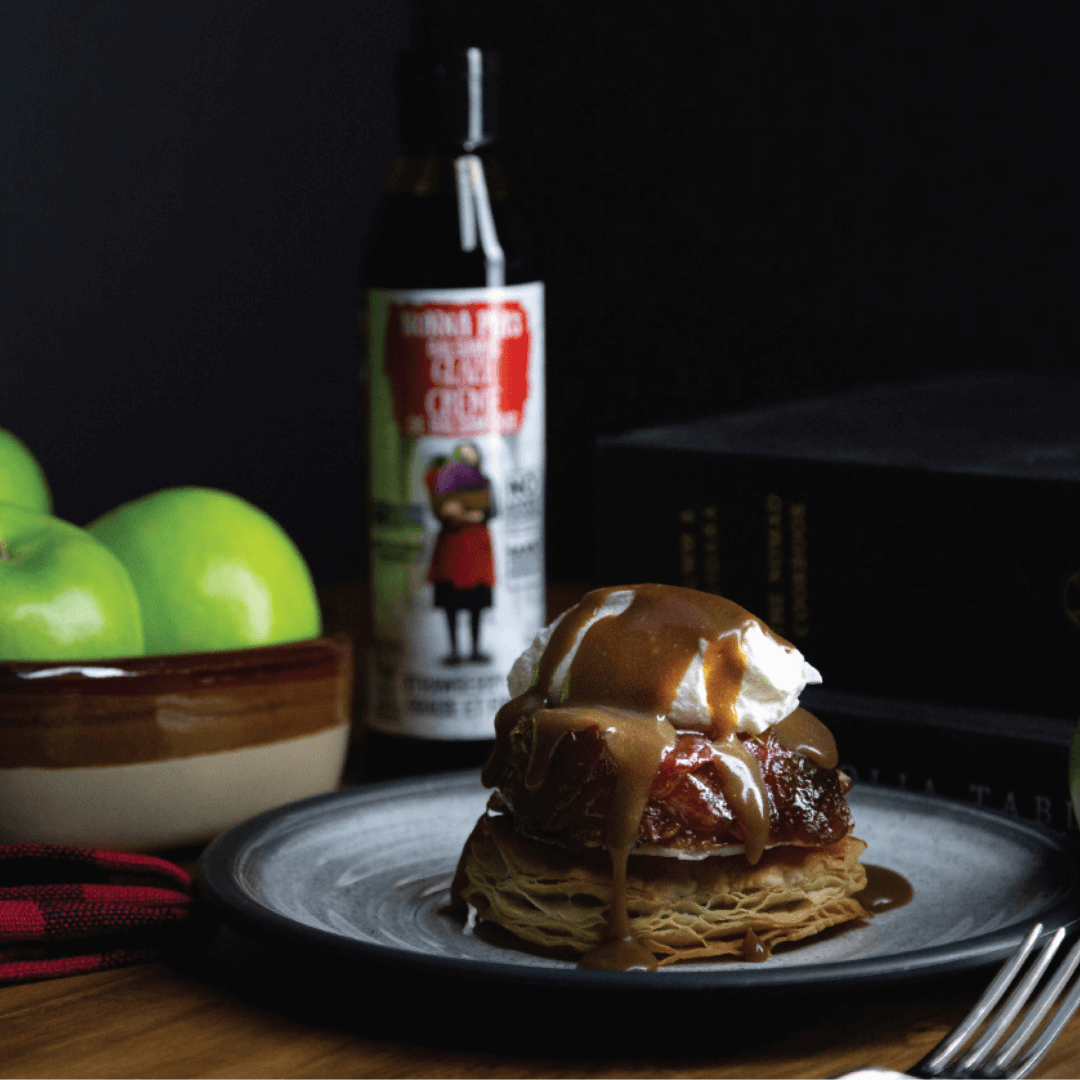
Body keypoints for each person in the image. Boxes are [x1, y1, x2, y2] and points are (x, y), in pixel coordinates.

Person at [426, 443, 495, 664]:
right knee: (451, 605)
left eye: (470, 459)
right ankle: (454, 651)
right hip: (452, 552)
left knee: (476, 605)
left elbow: (490, 512)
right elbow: (440, 511)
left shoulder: (485, 483)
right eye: (462, 459)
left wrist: (463, 514)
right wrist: (468, 514)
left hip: (476, 552)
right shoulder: (444, 483)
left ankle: (475, 650)